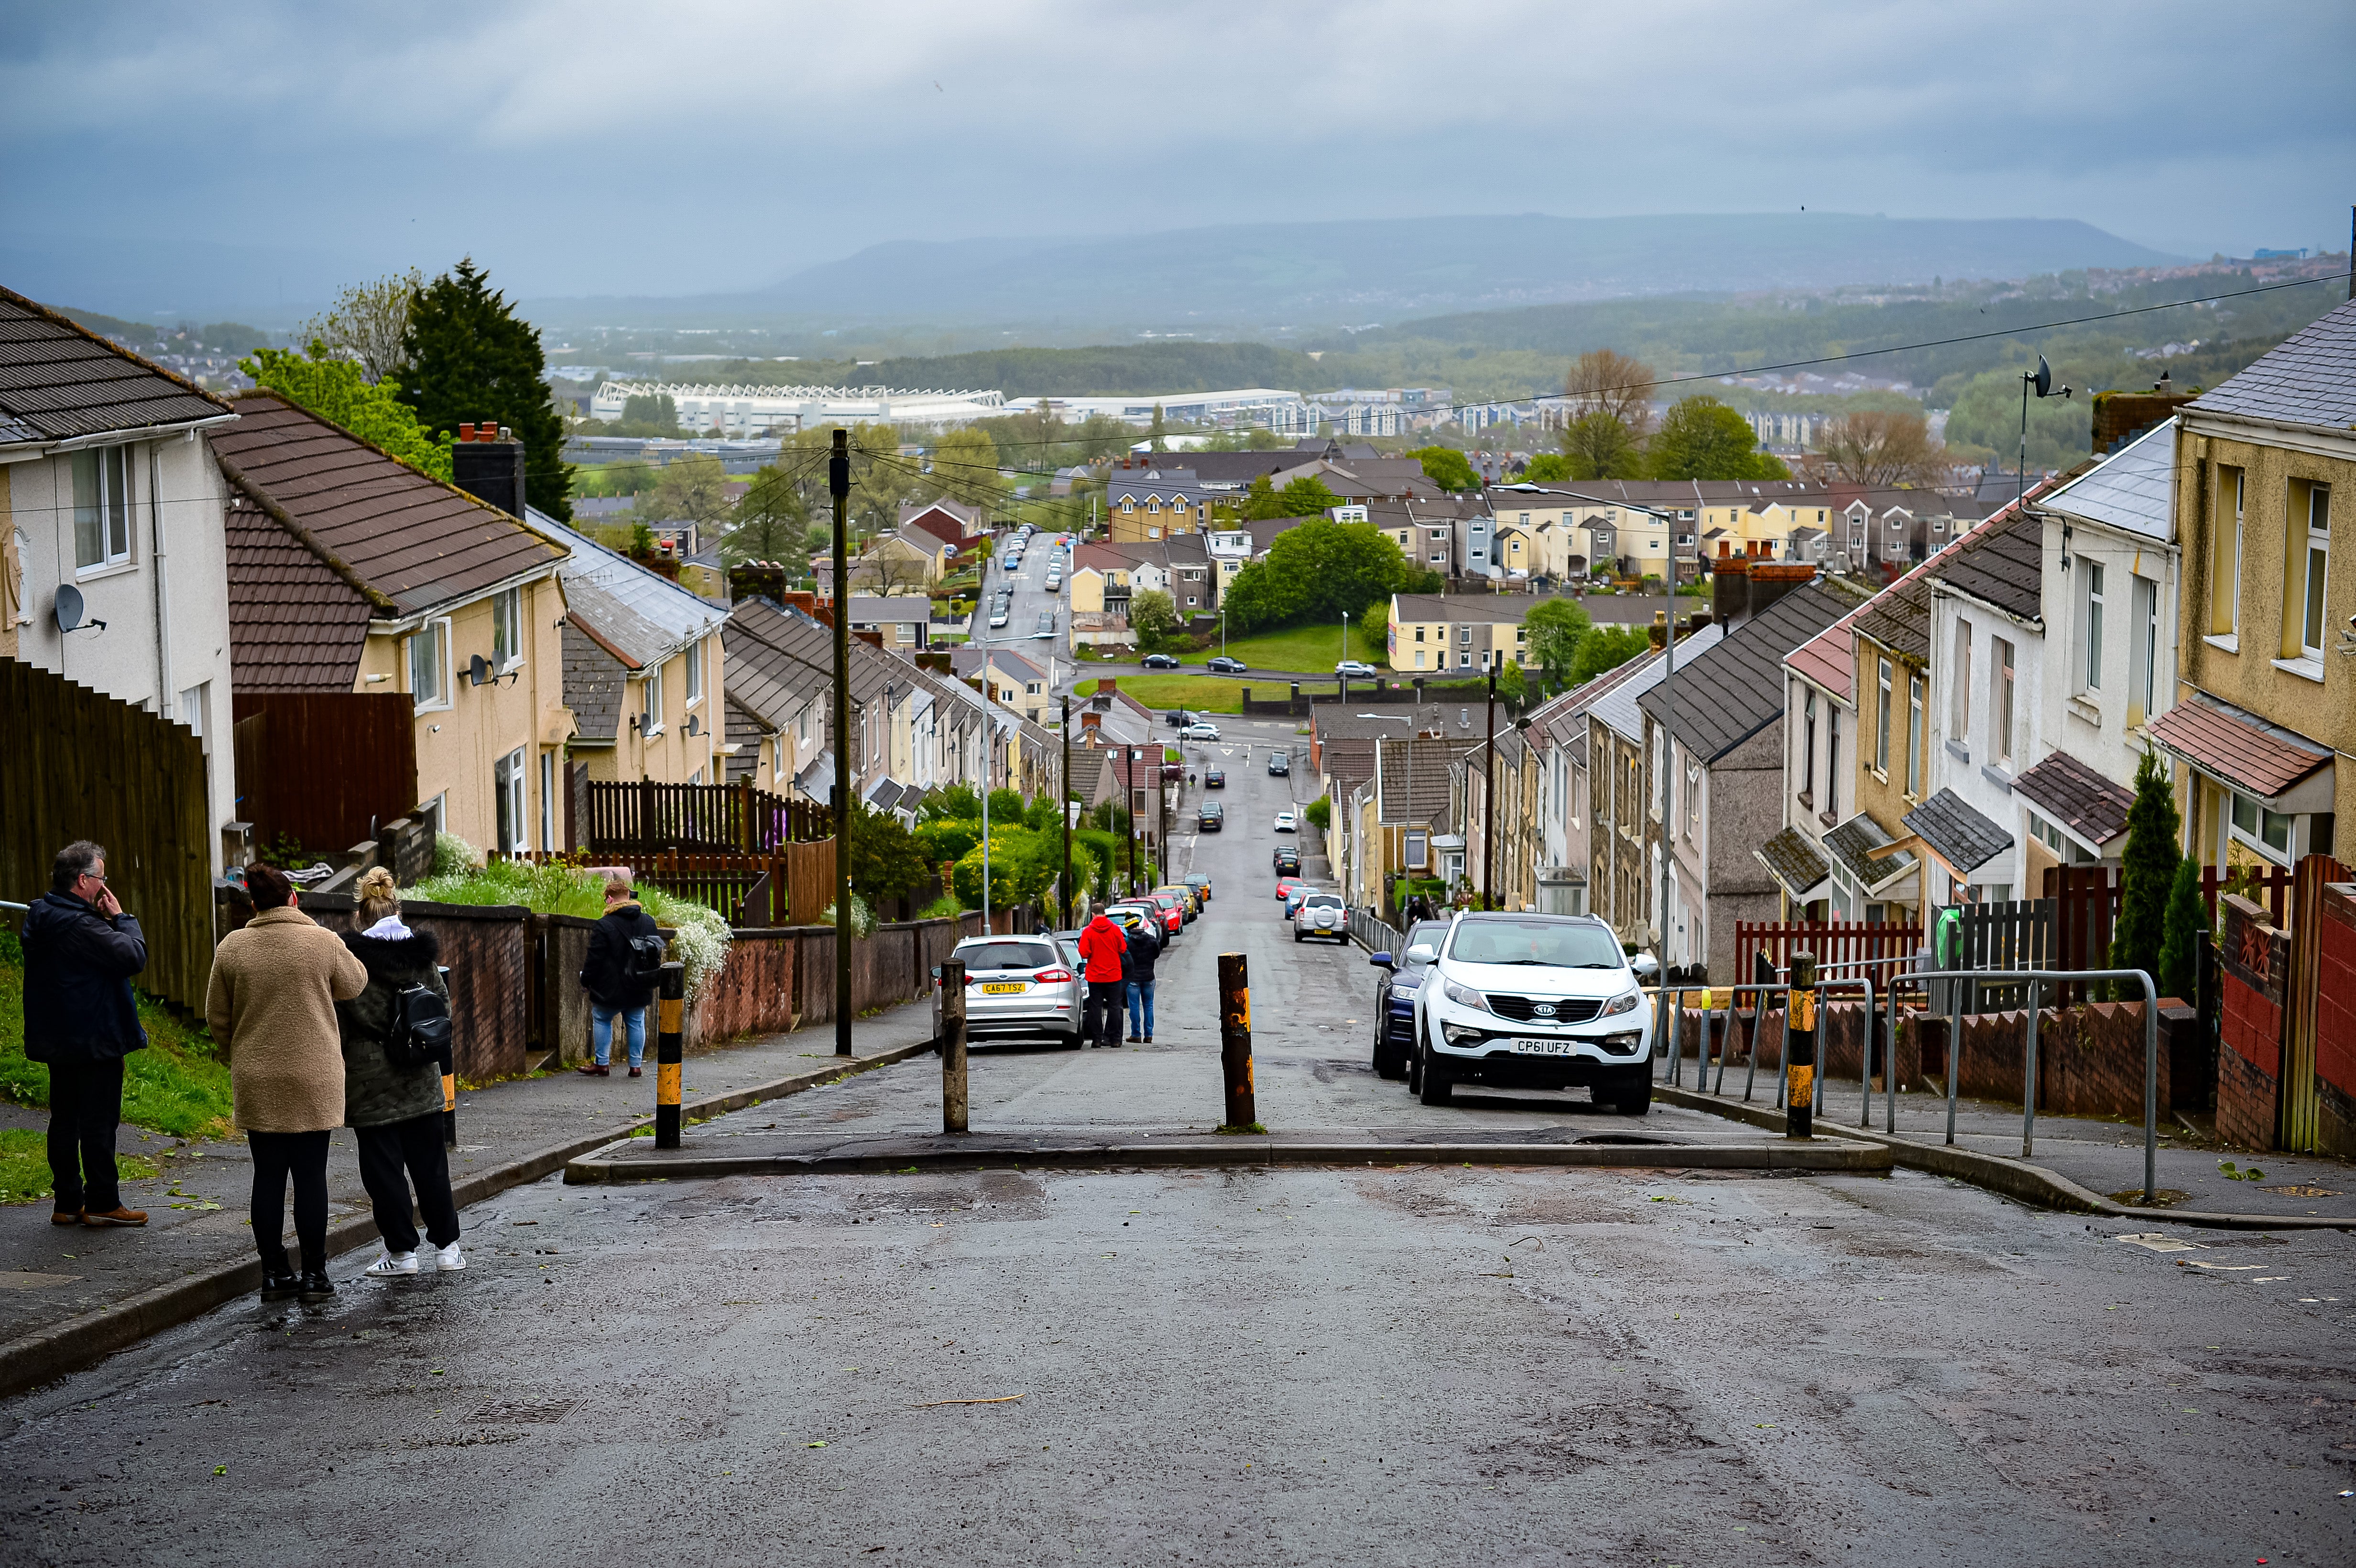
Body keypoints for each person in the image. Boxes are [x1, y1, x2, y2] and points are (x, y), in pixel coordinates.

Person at [207, 862, 368, 1303]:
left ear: (254, 905)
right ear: (293, 898)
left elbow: (217, 1017)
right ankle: (315, 1274)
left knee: (269, 1176)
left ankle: (276, 1273)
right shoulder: (322, 941)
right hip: (315, 1077)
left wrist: (237, 1053)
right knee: (312, 1176)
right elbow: (356, 982)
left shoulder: (233, 947)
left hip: (258, 1076)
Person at [337, 869, 463, 1277]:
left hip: (370, 1084)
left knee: (384, 1174)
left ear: (360, 914)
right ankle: (448, 1249)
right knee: (431, 1168)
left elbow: (345, 1017)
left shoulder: (352, 962)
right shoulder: (421, 958)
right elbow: (440, 1009)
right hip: (419, 1077)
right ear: (398, 909)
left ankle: (402, 1255)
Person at [19, 840, 150, 1228]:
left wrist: (104, 921)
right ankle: (103, 1201)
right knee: (98, 1122)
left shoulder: (43, 915)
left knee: (64, 1119)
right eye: (102, 878)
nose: (105, 886)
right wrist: (122, 917)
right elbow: (133, 957)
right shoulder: (81, 925)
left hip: (58, 1035)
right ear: (83, 880)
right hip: (94, 1036)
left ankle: (67, 1202)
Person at [578, 870, 660, 1077]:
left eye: (606, 900)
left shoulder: (604, 925)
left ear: (610, 899)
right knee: (636, 1020)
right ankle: (635, 1066)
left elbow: (594, 958)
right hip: (639, 982)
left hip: (610, 988)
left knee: (602, 1018)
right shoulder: (648, 922)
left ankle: (602, 1064)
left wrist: (586, 980)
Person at [1075, 902, 1130, 1049]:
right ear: (1104, 913)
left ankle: (1097, 1040)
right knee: (1115, 1007)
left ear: (1093, 915)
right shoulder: (1115, 930)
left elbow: (1084, 953)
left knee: (1095, 1007)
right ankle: (1116, 1039)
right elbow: (1123, 948)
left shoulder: (1088, 932)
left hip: (1095, 976)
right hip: (1113, 974)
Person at [1123, 908, 1159, 1045]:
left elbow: (1124, 959)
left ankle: (1136, 1034)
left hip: (1133, 979)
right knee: (1148, 1006)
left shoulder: (1127, 942)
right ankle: (1149, 1035)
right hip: (1149, 977)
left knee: (1134, 1007)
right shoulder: (1151, 939)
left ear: (1128, 928)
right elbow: (1157, 954)